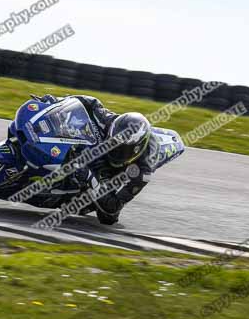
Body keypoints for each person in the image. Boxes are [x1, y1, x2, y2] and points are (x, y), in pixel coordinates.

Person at [35, 94, 160, 224]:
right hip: (104, 144)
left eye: (121, 149)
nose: (115, 150)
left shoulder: (142, 171)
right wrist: (57, 102)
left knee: (107, 217)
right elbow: (89, 102)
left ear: (136, 149)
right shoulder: (109, 120)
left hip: (121, 172)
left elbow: (113, 208)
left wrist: (89, 177)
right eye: (113, 143)